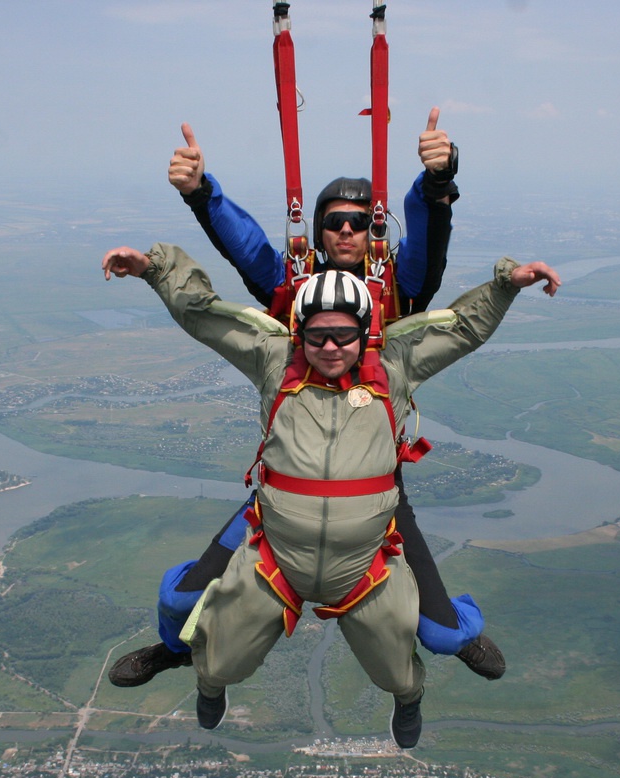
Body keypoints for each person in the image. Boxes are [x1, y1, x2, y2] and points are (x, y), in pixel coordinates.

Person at [106, 110, 507, 692]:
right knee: (183, 597)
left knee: (442, 631)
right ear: (317, 233)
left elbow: (427, 249)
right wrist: (200, 194)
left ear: (374, 231)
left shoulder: (398, 290)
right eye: (333, 222)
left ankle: (456, 635)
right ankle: (173, 650)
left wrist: (437, 183)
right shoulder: (293, 293)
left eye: (359, 222)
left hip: (374, 494)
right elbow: (246, 249)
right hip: (286, 491)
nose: (345, 231)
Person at [101, 242, 560, 747]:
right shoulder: (275, 361)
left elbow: (462, 329)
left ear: (364, 332)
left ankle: (412, 694)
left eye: (344, 334)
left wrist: (505, 285)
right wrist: (154, 269)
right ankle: (203, 680)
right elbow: (206, 318)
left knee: (401, 669)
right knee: (217, 657)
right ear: (300, 333)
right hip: (275, 549)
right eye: (317, 334)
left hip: (366, 559)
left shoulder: (393, 367)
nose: (331, 347)